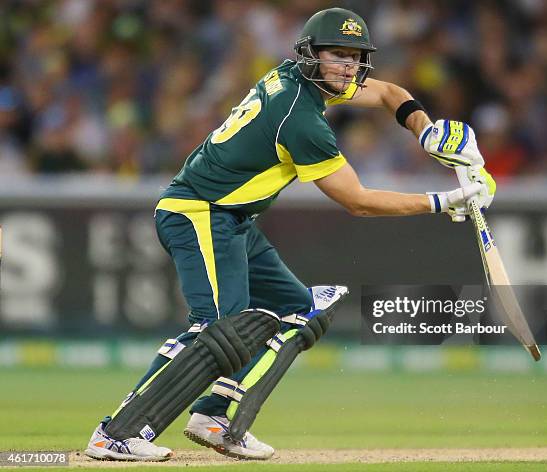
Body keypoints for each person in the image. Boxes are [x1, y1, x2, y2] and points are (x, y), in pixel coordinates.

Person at [84, 7, 495, 462]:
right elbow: (356, 200)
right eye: (337, 55)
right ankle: (117, 432)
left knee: (296, 311)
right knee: (216, 329)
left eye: (356, 57)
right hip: (199, 211)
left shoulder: (306, 79)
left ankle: (214, 415)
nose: (349, 67)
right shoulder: (300, 117)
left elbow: (390, 93)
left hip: (236, 218)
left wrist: (426, 130)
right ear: (310, 55)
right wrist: (442, 201)